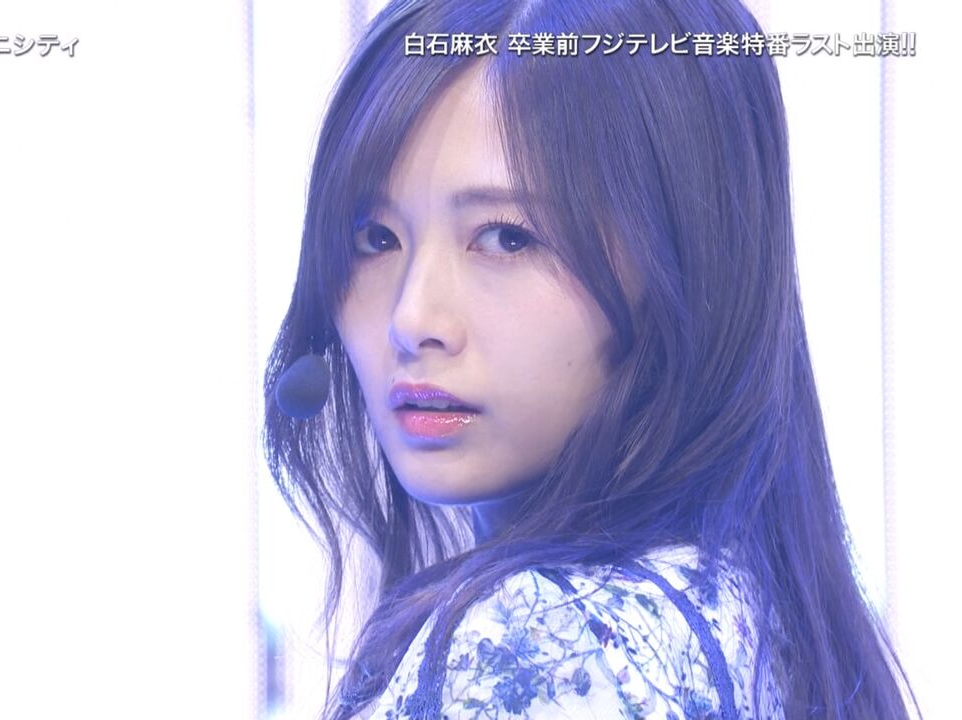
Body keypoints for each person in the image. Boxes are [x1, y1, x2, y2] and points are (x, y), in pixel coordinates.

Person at [262, 0, 920, 718]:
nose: (412, 320)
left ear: (684, 259)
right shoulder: (756, 609)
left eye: (507, 237)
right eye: (374, 238)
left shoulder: (544, 641)